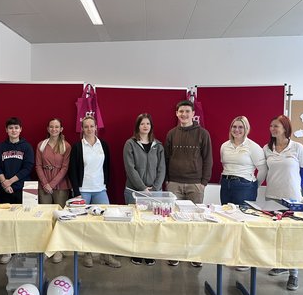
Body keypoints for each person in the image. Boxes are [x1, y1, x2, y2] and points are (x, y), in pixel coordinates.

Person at [263, 115, 303, 291]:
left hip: (292, 198)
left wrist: (296, 185)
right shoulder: (267, 149)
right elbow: (263, 171)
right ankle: (281, 264)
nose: (273, 129)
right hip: (273, 197)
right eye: (271, 126)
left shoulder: (297, 147)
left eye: (276, 126)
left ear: (285, 128)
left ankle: (294, 273)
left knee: (291, 236)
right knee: (276, 233)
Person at [164, 100, 212, 267]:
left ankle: (195, 255)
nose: (183, 114)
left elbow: (208, 159)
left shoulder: (203, 134)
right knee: (174, 220)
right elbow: (166, 158)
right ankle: (175, 253)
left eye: (187, 111)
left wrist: (203, 183)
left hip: (195, 184)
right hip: (174, 184)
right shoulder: (171, 134)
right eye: (181, 111)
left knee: (196, 221)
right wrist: (167, 180)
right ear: (177, 114)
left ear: (193, 114)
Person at [69, 116, 120, 268]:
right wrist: (77, 191)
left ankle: (106, 255)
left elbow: (108, 166)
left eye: (92, 126)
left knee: (106, 223)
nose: (89, 129)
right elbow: (72, 170)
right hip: (83, 191)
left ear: (96, 127)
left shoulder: (103, 145)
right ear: (82, 129)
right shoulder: (78, 147)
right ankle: (88, 254)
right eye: (86, 127)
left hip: (100, 190)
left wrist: (105, 184)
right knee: (85, 224)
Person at [220, 116, 267, 271]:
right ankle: (231, 255)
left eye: (241, 127)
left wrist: (253, 186)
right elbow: (225, 165)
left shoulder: (253, 147)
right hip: (226, 184)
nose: (237, 130)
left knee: (243, 222)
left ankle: (245, 259)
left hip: (244, 186)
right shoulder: (225, 146)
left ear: (246, 129)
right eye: (234, 126)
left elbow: (263, 169)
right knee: (228, 219)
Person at [123, 113, 166, 266]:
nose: (145, 126)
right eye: (142, 124)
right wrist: (142, 188)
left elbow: (162, 169)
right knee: (136, 223)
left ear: (151, 126)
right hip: (134, 191)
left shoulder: (158, 146)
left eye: (148, 123)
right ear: (138, 126)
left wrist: (154, 189)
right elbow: (130, 168)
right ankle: (136, 252)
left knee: (151, 223)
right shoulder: (130, 144)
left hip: (155, 192)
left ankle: (149, 252)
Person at [0, 117, 34, 264]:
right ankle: (7, 251)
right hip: (5, 189)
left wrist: (10, 181)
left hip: (22, 189)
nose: (13, 130)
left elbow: (28, 167)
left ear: (20, 129)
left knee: (23, 220)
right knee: (6, 221)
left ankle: (22, 249)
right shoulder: (0, 147)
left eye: (16, 128)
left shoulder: (27, 147)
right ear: (6, 130)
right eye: (11, 128)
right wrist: (4, 182)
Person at [35, 118, 71, 264]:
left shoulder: (66, 146)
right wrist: (45, 183)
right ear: (48, 128)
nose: (54, 129)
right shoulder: (41, 145)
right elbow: (38, 165)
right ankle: (46, 248)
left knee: (59, 218)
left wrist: (53, 183)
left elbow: (65, 167)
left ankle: (58, 249)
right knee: (46, 218)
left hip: (61, 185)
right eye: (52, 127)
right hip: (44, 185)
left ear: (61, 129)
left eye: (57, 127)